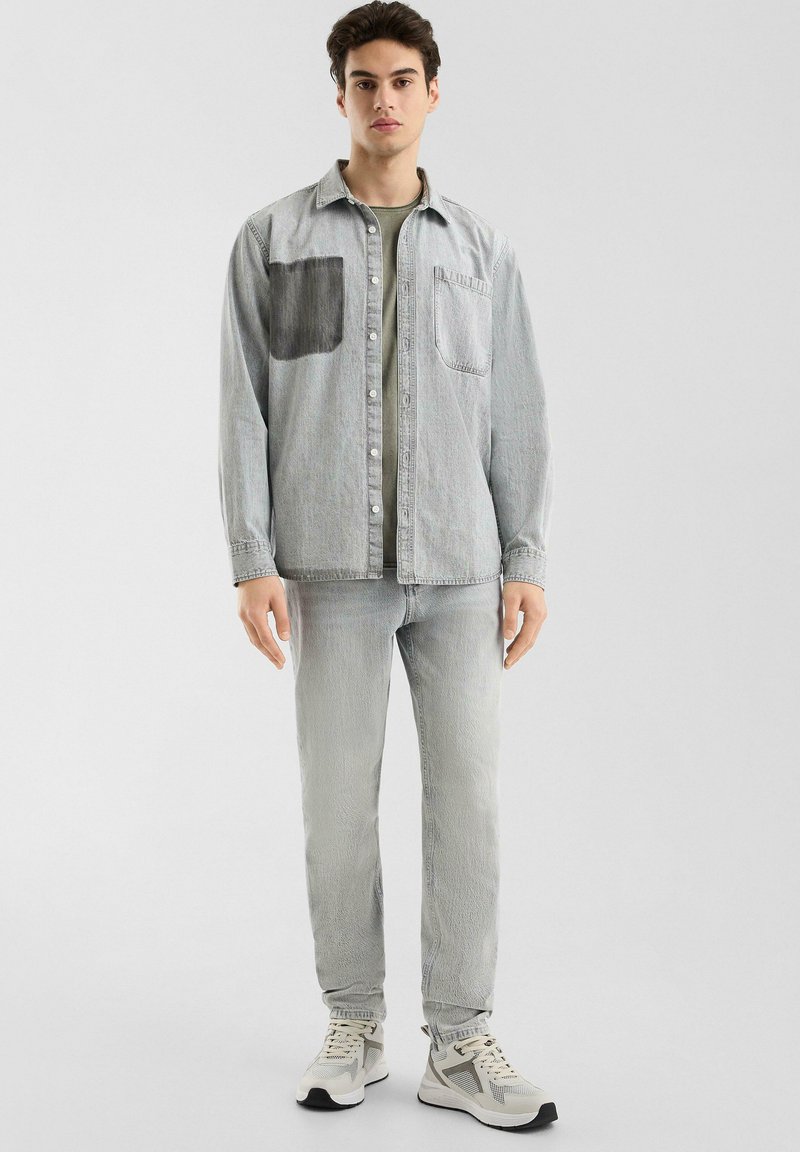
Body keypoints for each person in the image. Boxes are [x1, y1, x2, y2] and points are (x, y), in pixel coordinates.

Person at [217, 0, 557, 1131]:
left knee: (468, 806)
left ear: (432, 92)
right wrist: (251, 558)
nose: (384, 99)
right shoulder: (273, 239)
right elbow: (244, 406)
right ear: (339, 95)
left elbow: (516, 406)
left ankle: (459, 1043)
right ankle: (352, 1022)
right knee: (337, 808)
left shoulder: (480, 248)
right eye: (364, 81)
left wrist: (524, 555)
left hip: (461, 572)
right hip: (329, 572)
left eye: (402, 79)